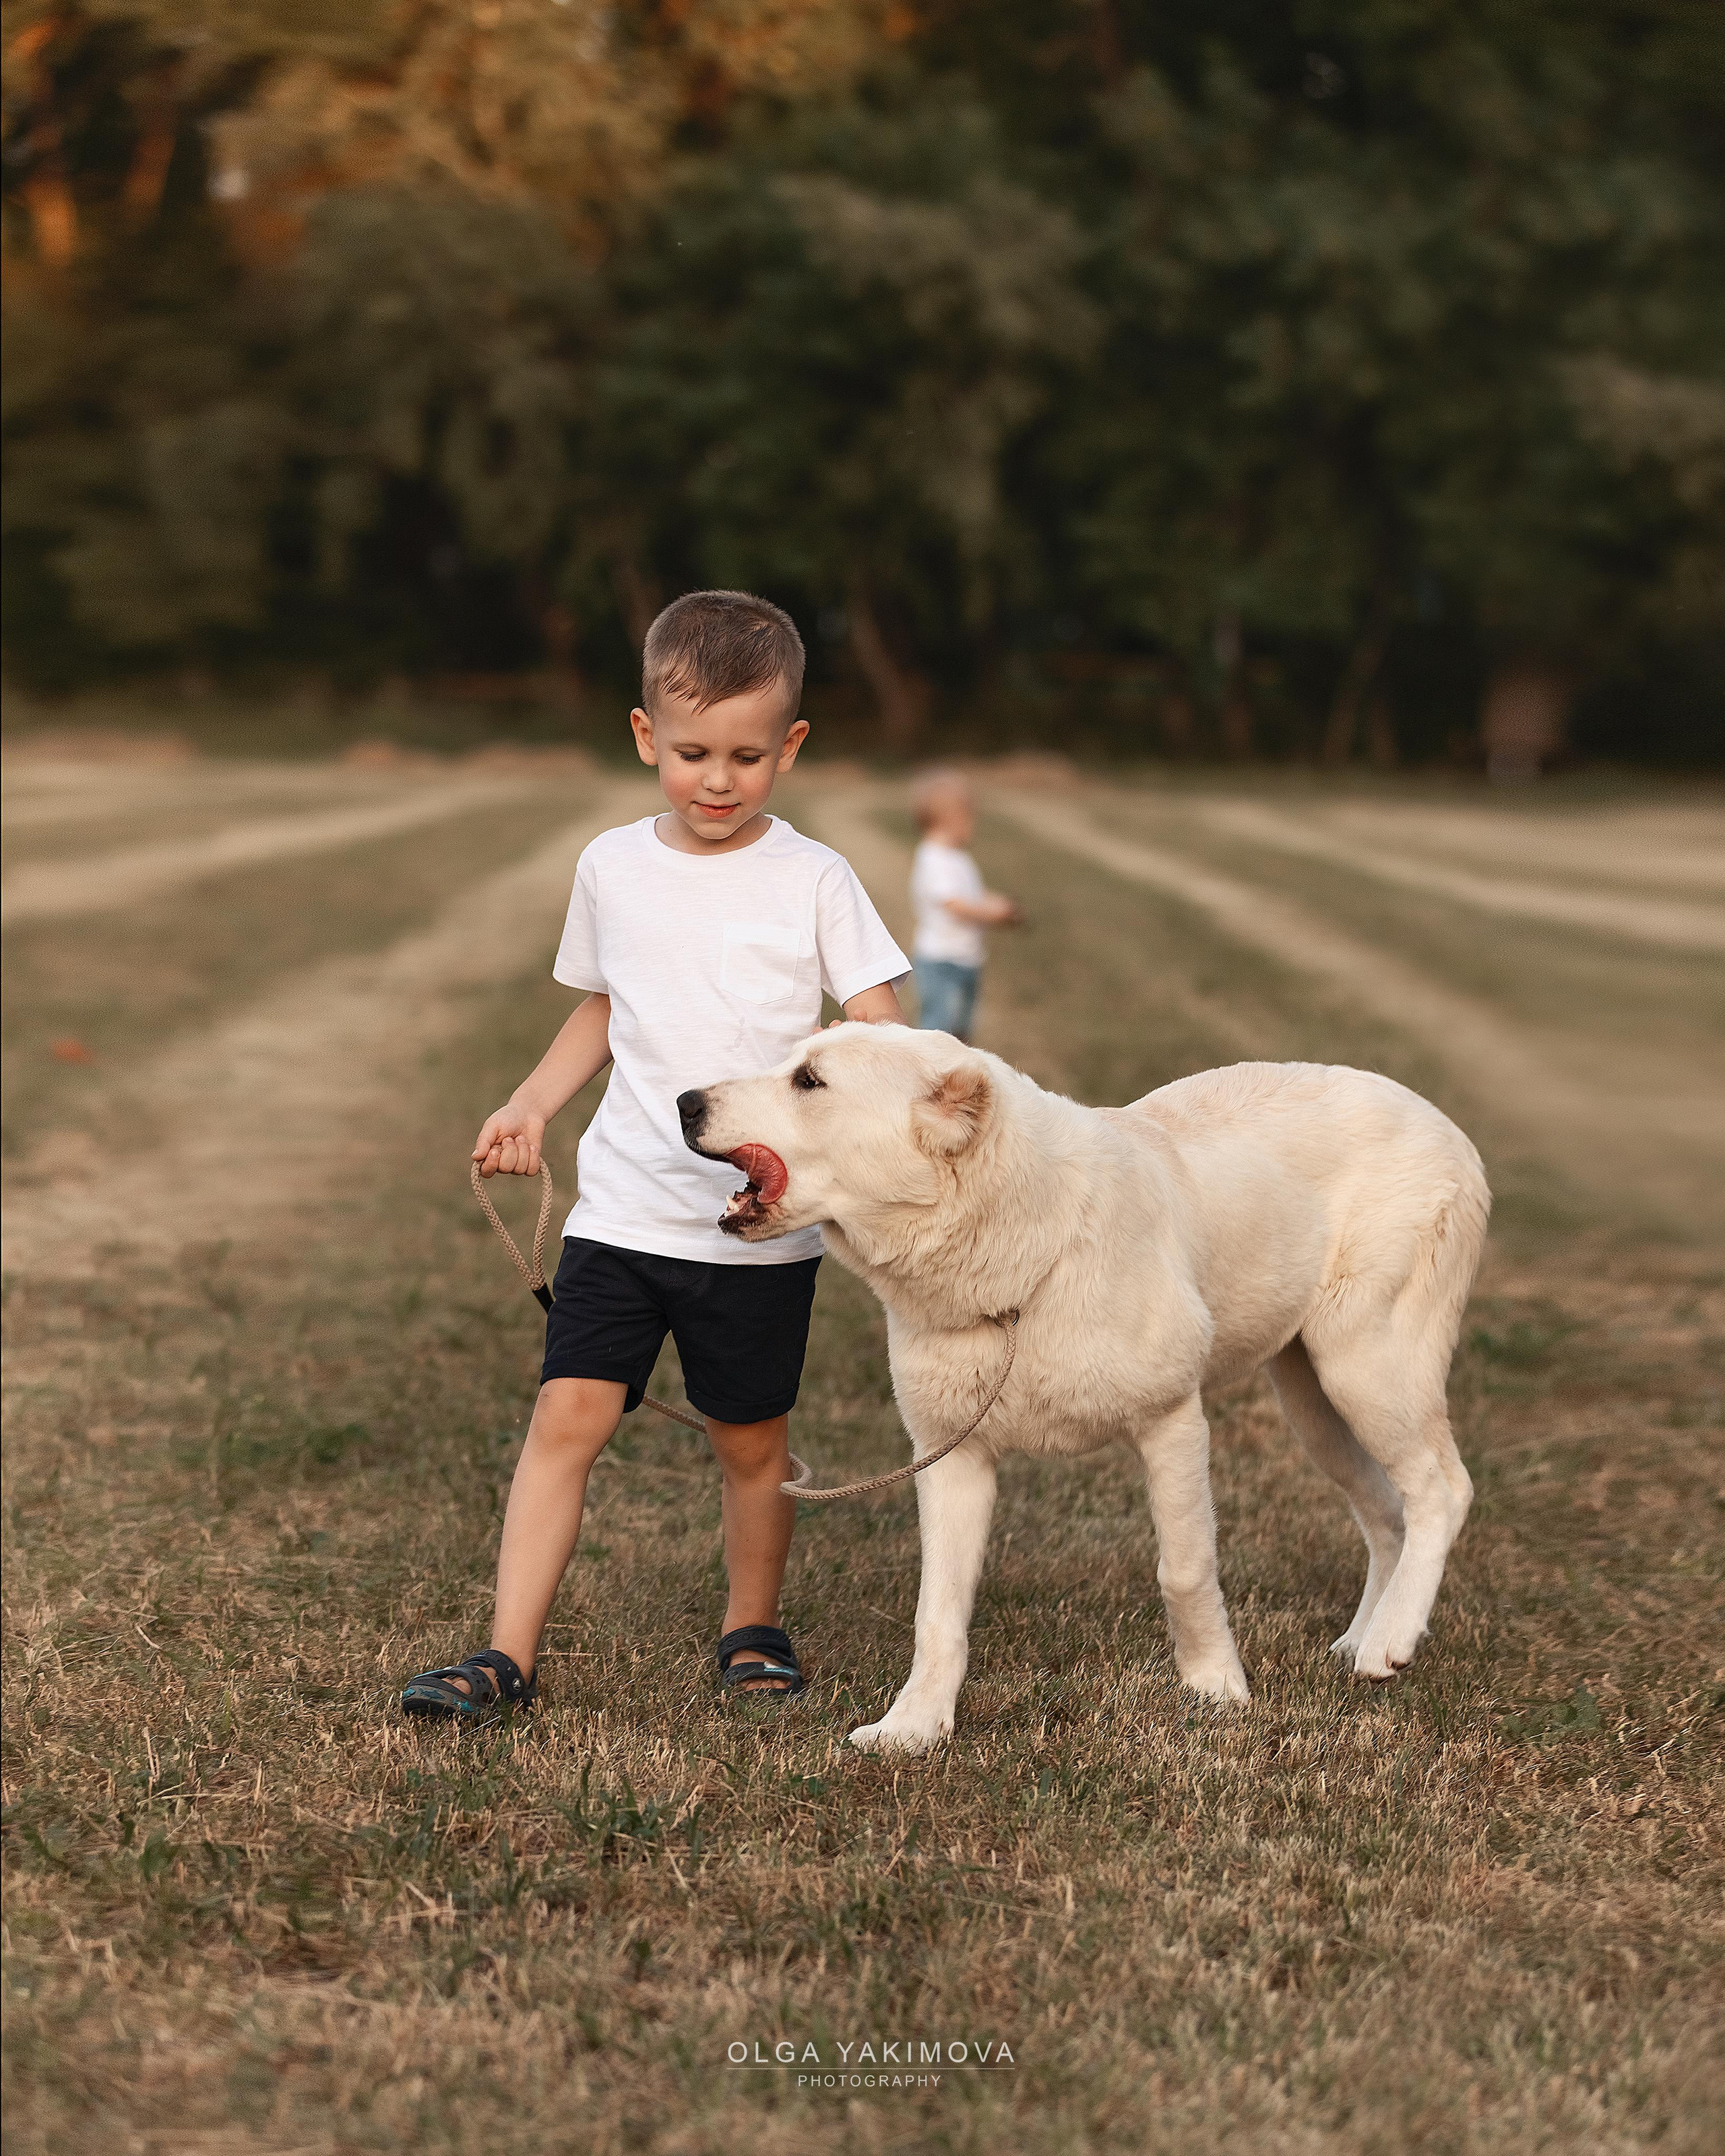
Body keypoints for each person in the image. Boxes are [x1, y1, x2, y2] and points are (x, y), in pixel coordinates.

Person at [401, 591, 910, 1719]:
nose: (716, 779)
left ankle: (752, 1624)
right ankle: (505, 1654)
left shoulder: (815, 878)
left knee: (751, 1440)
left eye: (744, 755)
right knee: (566, 1419)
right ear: (645, 737)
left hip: (753, 1227)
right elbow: (602, 1007)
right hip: (622, 1212)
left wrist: (874, 1120)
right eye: (690, 753)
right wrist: (532, 1102)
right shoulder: (611, 865)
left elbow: (880, 1028)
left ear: (791, 745)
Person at [908, 768, 1021, 1043]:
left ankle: (957, 1081)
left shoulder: (957, 857)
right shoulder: (934, 859)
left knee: (961, 1033)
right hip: (942, 961)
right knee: (938, 1031)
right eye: (970, 816)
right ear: (950, 818)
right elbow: (955, 905)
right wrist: (994, 913)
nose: (974, 823)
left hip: (967, 958)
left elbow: (971, 894)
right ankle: (932, 1082)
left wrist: (998, 903)